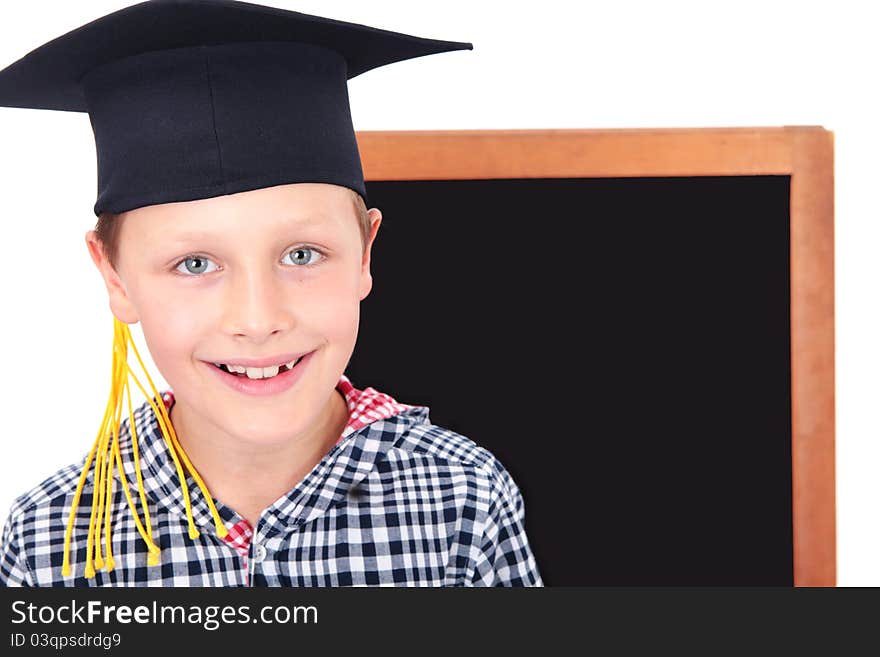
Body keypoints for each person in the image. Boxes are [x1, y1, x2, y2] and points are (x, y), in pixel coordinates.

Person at [0, 0, 543, 587]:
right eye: (195, 263)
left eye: (301, 255)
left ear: (365, 253)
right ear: (115, 278)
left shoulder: (464, 500)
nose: (258, 320)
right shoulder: (49, 541)